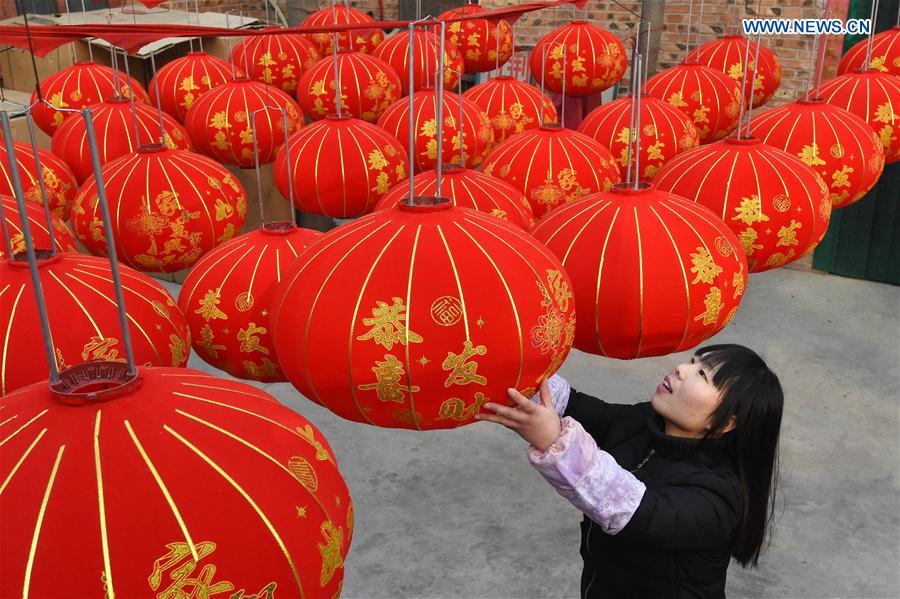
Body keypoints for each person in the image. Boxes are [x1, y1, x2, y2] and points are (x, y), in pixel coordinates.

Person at [474, 344, 783, 598]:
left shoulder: (717, 497)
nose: (681, 369)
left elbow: (632, 509)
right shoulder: (646, 422)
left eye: (702, 374)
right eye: (692, 360)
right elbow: (580, 408)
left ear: (727, 422)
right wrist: (514, 364)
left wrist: (556, 442)